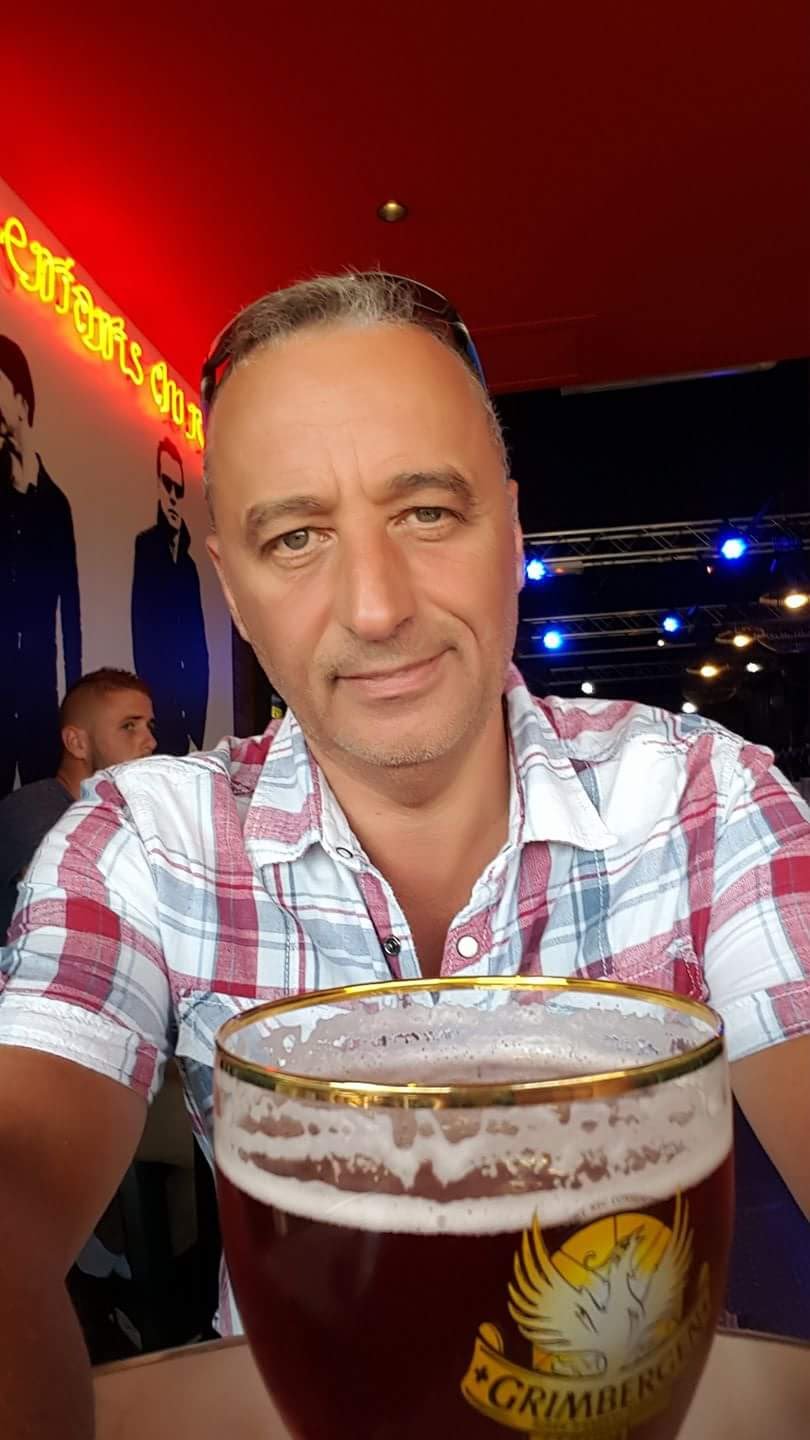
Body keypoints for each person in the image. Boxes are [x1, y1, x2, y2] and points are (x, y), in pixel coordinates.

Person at [2, 273, 810, 1438]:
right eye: (296, 538)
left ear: (512, 532)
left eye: (426, 512)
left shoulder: (700, 796)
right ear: (233, 587)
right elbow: (17, 1168)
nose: (375, 607)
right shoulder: (144, 839)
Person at [0, 668, 156, 940]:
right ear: (77, 743)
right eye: (129, 726)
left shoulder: (126, 815)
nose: (151, 742)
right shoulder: (33, 810)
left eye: (149, 727)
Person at [0, 335, 82, 797]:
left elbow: (70, 613)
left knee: (42, 814)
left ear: (21, 399)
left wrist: (75, 705)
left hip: (39, 703)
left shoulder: (55, 505)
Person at [131, 436, 209, 754]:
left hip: (188, 718)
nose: (174, 497)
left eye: (180, 489)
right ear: (157, 485)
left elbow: (199, 645)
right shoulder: (146, 548)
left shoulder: (189, 564)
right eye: (167, 485)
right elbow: (142, 634)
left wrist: (197, 725)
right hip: (161, 715)